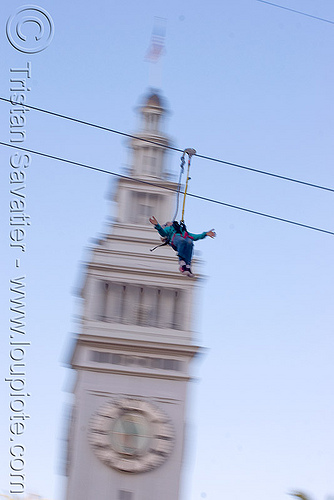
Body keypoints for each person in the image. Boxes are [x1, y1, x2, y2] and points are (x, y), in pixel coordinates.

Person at [149, 216, 216, 277]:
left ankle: (187, 265)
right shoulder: (169, 229)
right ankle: (182, 261)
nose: (171, 222)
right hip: (176, 239)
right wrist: (157, 225)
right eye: (168, 223)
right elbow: (163, 233)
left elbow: (195, 236)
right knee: (182, 240)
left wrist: (205, 234)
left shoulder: (183, 231)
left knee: (190, 242)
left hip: (184, 239)